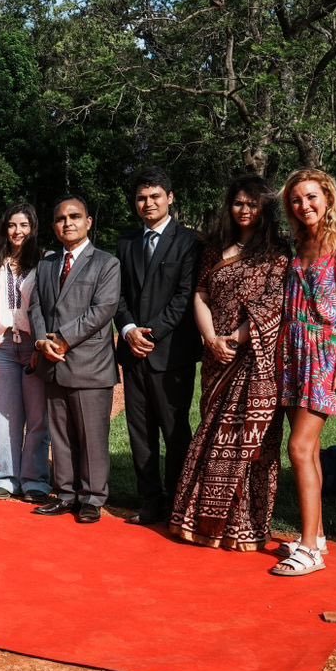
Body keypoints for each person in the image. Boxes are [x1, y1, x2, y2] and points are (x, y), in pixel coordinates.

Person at [169, 177, 290, 551]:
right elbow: (200, 294)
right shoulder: (214, 248)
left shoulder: (278, 252)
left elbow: (274, 305)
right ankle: (203, 521)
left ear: (266, 207)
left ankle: (245, 526)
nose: (245, 210)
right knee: (213, 434)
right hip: (216, 357)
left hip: (256, 360)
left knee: (253, 445)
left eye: (252, 204)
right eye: (238, 203)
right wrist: (211, 339)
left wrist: (236, 339)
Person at [273, 168, 336, 577]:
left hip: (325, 353)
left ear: (327, 197)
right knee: (306, 451)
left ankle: (308, 547)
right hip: (291, 351)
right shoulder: (296, 244)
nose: (304, 205)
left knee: (298, 447)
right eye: (296, 200)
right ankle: (319, 536)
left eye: (311, 197)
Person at [115, 167, 203, 524]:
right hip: (133, 353)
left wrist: (151, 333)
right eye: (141, 197)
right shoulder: (126, 243)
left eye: (155, 196)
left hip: (172, 354)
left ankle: (177, 503)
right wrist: (129, 329)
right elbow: (117, 296)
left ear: (170, 197)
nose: (148, 203)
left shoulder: (190, 242)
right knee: (140, 432)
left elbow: (185, 297)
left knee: (175, 431)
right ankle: (149, 501)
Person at [29, 197, 122, 524]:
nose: (67, 223)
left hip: (89, 364)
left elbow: (102, 310)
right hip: (52, 362)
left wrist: (63, 339)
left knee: (91, 436)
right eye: (60, 218)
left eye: (74, 217)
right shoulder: (46, 264)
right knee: (61, 435)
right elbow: (37, 307)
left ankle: (93, 498)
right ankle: (66, 494)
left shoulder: (106, 263)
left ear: (89, 221)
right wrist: (42, 340)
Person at [0, 203, 50, 502]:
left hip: (33, 347)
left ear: (32, 228)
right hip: (3, 348)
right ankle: (5, 478)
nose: (17, 231)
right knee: (2, 415)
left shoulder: (43, 263)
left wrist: (41, 345)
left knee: (37, 417)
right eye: (12, 225)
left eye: (24, 225)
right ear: (5, 228)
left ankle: (34, 480)